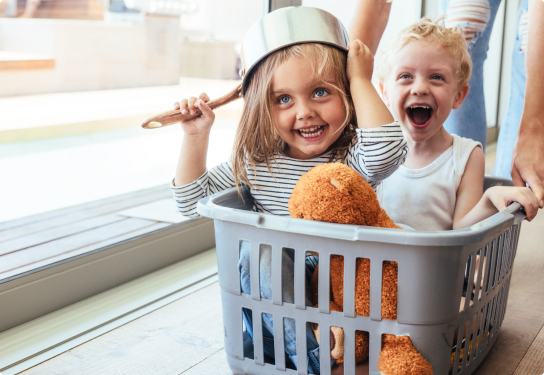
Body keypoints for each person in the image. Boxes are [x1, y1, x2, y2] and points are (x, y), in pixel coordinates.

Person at [171, 39, 407, 373]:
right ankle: (312, 361)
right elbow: (191, 202)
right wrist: (195, 137)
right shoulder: (255, 162)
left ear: (346, 95)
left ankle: (317, 358)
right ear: (261, 108)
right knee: (259, 252)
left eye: (321, 92)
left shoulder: (352, 155)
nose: (305, 111)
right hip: (278, 298)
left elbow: (387, 149)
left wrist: (360, 80)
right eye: (283, 99)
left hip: (342, 286)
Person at [351, 0, 544, 207]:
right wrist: (348, 91)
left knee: (528, 39)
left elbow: (465, 229)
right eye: (406, 76)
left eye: (436, 77)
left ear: (459, 96)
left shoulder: (468, 157)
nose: (420, 88)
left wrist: (490, 200)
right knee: (467, 22)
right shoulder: (369, 150)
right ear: (384, 92)